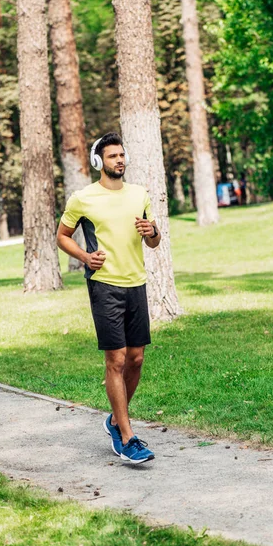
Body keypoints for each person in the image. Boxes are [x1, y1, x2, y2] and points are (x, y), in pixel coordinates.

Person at [57, 132, 161, 465]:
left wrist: (153, 232)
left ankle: (115, 420)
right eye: (112, 156)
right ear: (99, 161)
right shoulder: (83, 198)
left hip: (136, 284)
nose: (119, 160)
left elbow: (154, 241)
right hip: (104, 285)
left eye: (122, 155)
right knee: (115, 360)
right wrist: (85, 258)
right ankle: (127, 438)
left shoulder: (139, 194)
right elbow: (62, 236)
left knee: (136, 359)